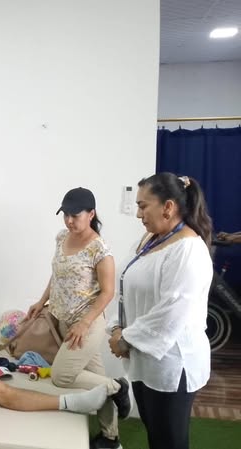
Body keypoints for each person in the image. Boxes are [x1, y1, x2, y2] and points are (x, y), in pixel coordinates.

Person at [107, 173, 213, 449]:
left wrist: (124, 339)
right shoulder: (150, 239)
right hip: (144, 357)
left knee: (169, 441)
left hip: (172, 364)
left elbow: (171, 313)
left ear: (168, 207)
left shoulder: (188, 250)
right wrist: (116, 328)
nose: (138, 214)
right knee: (156, 436)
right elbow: (125, 284)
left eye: (143, 206)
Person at [26, 187, 130, 449]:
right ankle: (111, 438)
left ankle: (117, 387)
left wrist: (84, 323)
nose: (69, 221)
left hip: (87, 324)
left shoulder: (100, 249)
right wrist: (42, 301)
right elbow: (57, 275)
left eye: (75, 215)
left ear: (91, 214)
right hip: (64, 321)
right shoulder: (62, 237)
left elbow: (108, 292)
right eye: (66, 215)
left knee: (61, 376)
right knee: (95, 377)